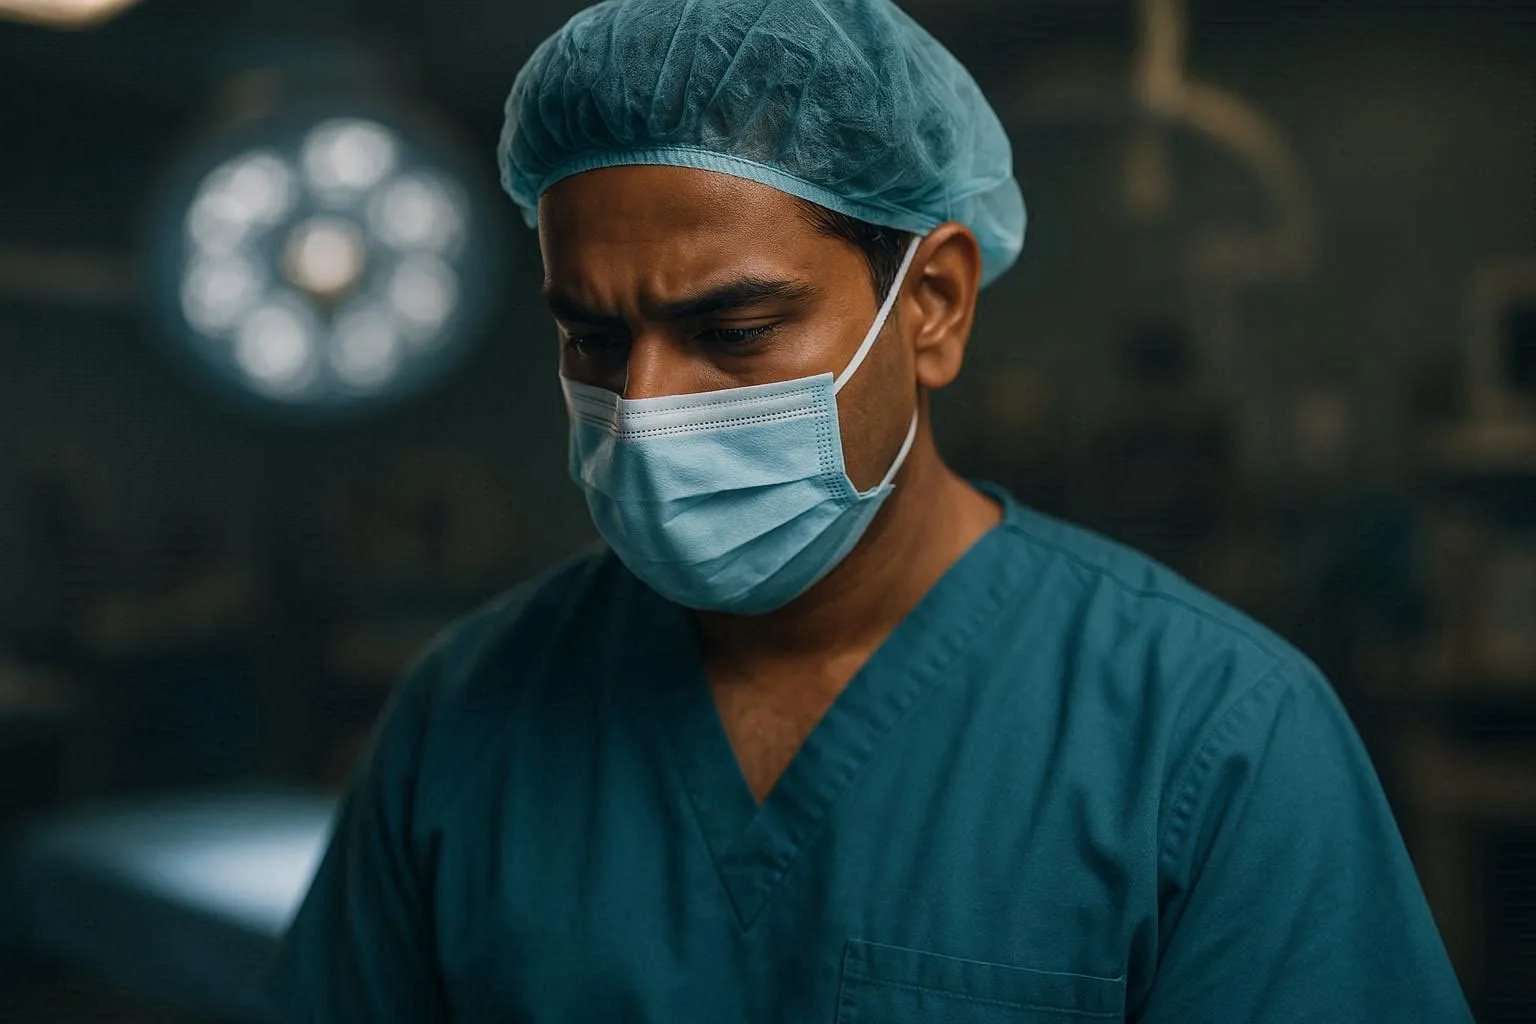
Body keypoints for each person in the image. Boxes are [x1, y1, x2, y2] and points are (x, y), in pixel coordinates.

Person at [271, 1, 1474, 1020]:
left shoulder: (1213, 740)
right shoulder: (467, 715)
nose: (639, 407)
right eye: (592, 336)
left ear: (935, 305)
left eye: (730, 332)